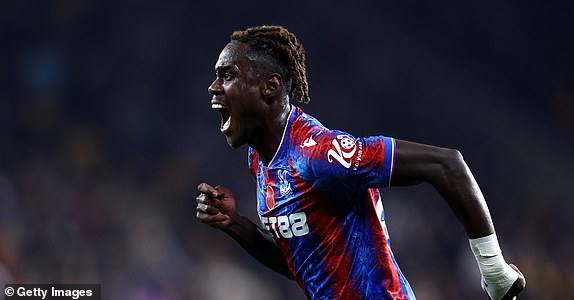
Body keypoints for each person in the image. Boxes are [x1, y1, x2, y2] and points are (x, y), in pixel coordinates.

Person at [195, 25, 525, 300]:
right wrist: (235, 224)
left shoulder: (318, 155)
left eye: (227, 75)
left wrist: (494, 271)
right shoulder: (261, 157)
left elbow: (447, 164)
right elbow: (302, 262)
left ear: (270, 87)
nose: (213, 87)